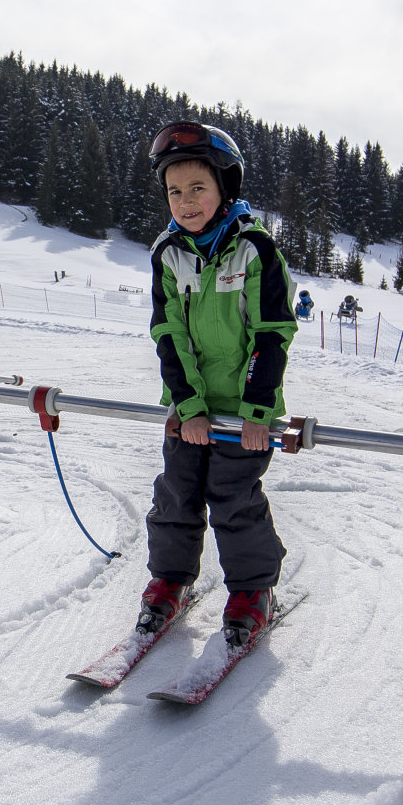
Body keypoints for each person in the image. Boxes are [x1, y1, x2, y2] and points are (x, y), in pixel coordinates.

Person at [139, 121, 298, 649]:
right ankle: (170, 580)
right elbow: (169, 333)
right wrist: (188, 405)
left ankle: (253, 591)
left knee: (233, 498)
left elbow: (272, 333)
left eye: (197, 188)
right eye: (174, 191)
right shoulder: (169, 253)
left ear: (225, 187)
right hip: (191, 408)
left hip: (244, 409)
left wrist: (256, 412)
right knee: (177, 495)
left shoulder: (256, 249)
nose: (185, 202)